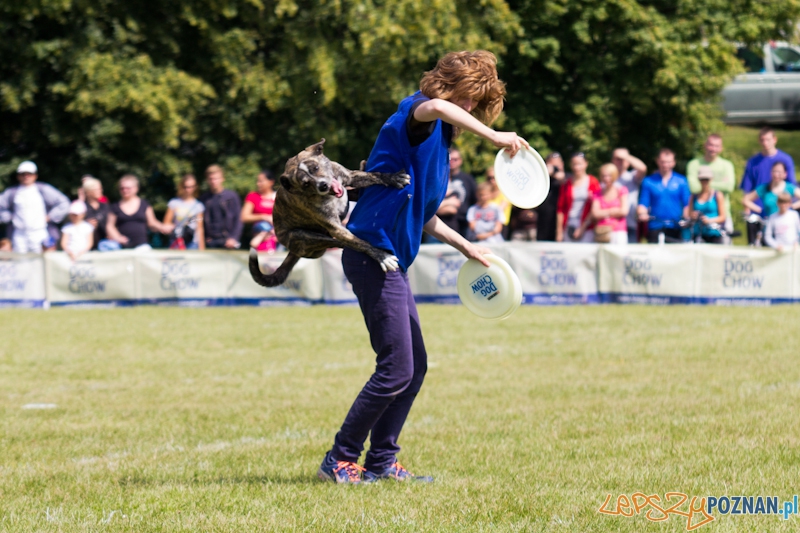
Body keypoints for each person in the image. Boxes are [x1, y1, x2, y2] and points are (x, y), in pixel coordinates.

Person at [319, 50, 527, 484]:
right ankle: (339, 459)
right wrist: (493, 136)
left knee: (414, 366)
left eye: (478, 102)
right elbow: (434, 106)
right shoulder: (419, 116)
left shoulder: (440, 145)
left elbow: (423, 213)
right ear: (446, 87)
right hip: (372, 253)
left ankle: (381, 462)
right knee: (396, 366)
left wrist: (468, 247)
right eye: (466, 98)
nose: (470, 108)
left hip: (393, 259)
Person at [741, 127, 796, 244]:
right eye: (762, 140)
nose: (765, 143)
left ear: (774, 140)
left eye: (768, 139)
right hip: (761, 213)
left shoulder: (785, 159)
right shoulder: (753, 162)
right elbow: (747, 190)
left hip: (781, 214)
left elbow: (792, 187)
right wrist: (750, 209)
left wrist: (791, 206)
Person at [0, 161, 69, 253]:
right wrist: (8, 217)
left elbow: (64, 203)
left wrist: (51, 216)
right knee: (20, 261)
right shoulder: (11, 192)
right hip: (19, 233)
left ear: (35, 175)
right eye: (23, 174)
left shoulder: (43, 189)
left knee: (41, 260)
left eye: (29, 174)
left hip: (40, 232)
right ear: (18, 176)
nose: (26, 176)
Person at [101, 175, 172, 251]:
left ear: (136, 188)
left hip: (142, 246)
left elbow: (152, 223)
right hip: (121, 247)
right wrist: (117, 237)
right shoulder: (114, 207)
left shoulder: (144, 204)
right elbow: (109, 226)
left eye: (128, 188)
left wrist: (162, 227)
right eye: (122, 188)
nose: (125, 190)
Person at [686, 134, 736, 237]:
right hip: (698, 219)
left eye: (717, 146)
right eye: (711, 145)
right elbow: (693, 187)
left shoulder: (727, 165)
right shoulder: (694, 164)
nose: (713, 149)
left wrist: (704, 182)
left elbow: (729, 187)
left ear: (721, 148)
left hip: (723, 215)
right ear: (705, 145)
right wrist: (721, 183)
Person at [637, 149, 691, 243]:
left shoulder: (681, 181)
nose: (665, 165)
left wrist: (687, 218)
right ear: (657, 161)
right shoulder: (649, 181)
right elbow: (643, 202)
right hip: (655, 225)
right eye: (663, 162)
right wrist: (642, 213)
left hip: (675, 226)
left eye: (668, 162)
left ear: (674, 163)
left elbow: (687, 203)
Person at [433, 148, 476, 239]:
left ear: (460, 160)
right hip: (436, 224)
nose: (452, 162)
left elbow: (474, 201)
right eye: (449, 159)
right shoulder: (437, 178)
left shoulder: (468, 179)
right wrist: (449, 203)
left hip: (461, 224)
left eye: (455, 159)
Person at [556, 153, 600, 243]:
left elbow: (595, 207)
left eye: (579, 164)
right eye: (574, 164)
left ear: (586, 163)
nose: (576, 167)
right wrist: (559, 231)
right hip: (568, 227)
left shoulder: (593, 182)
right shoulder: (566, 184)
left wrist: (582, 227)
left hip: (587, 228)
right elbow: (560, 209)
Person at [742, 161, 800, 228]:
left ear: (785, 174)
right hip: (769, 225)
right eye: (774, 171)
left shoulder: (789, 187)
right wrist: (759, 210)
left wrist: (791, 206)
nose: (776, 174)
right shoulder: (765, 188)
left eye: (779, 172)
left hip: (786, 226)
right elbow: (745, 200)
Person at [200, 165, 243, 249]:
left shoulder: (231, 197)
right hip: (210, 242)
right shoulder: (204, 199)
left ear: (222, 179)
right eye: (210, 179)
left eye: (216, 178)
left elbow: (239, 219)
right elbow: (200, 221)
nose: (213, 181)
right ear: (207, 180)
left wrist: (233, 238)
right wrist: (205, 237)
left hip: (228, 241)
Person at [611, 148, 647, 243]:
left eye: (623, 159)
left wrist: (625, 156)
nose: (620, 161)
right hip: (610, 225)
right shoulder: (607, 179)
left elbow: (643, 168)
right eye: (617, 158)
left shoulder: (632, 176)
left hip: (629, 224)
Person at [163, 174, 205, 250]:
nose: (188, 190)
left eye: (191, 187)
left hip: (192, 243)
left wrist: (202, 248)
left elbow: (199, 228)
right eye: (186, 187)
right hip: (177, 241)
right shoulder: (174, 203)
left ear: (195, 187)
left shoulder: (198, 206)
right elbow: (166, 223)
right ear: (182, 187)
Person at [591, 163, 629, 245]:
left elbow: (624, 211)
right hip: (602, 232)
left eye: (609, 175)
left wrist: (603, 212)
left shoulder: (621, 190)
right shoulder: (597, 193)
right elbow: (595, 213)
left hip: (618, 231)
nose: (606, 178)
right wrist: (614, 210)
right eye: (604, 176)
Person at [241, 170, 277, 252]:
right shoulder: (253, 196)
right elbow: (244, 217)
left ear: (271, 182)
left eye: (261, 181)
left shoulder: (279, 197)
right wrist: (264, 217)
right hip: (258, 238)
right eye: (257, 181)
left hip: (276, 238)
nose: (258, 184)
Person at [688, 166, 726, 244]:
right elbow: (689, 214)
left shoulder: (717, 195)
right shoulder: (694, 196)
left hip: (714, 234)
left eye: (706, 179)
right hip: (698, 234)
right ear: (699, 180)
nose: (704, 182)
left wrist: (709, 220)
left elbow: (723, 217)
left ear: (711, 179)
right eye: (702, 179)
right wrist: (693, 216)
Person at [533, 152, 565, 241]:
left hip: (560, 227)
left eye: (557, 165)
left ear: (562, 164)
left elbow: (565, 180)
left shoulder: (567, 180)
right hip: (542, 226)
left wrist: (557, 173)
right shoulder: (542, 181)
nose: (555, 167)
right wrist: (545, 174)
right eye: (552, 165)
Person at [79, 176, 109, 249]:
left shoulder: (105, 206)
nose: (100, 191)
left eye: (100, 188)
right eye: (96, 189)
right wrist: (86, 225)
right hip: (87, 247)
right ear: (88, 192)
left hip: (106, 245)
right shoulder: (82, 207)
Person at [484, 166, 511, 231]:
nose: (491, 180)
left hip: (501, 227)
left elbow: (499, 210)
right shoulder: (485, 193)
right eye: (489, 178)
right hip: (485, 225)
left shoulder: (506, 192)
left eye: (494, 178)